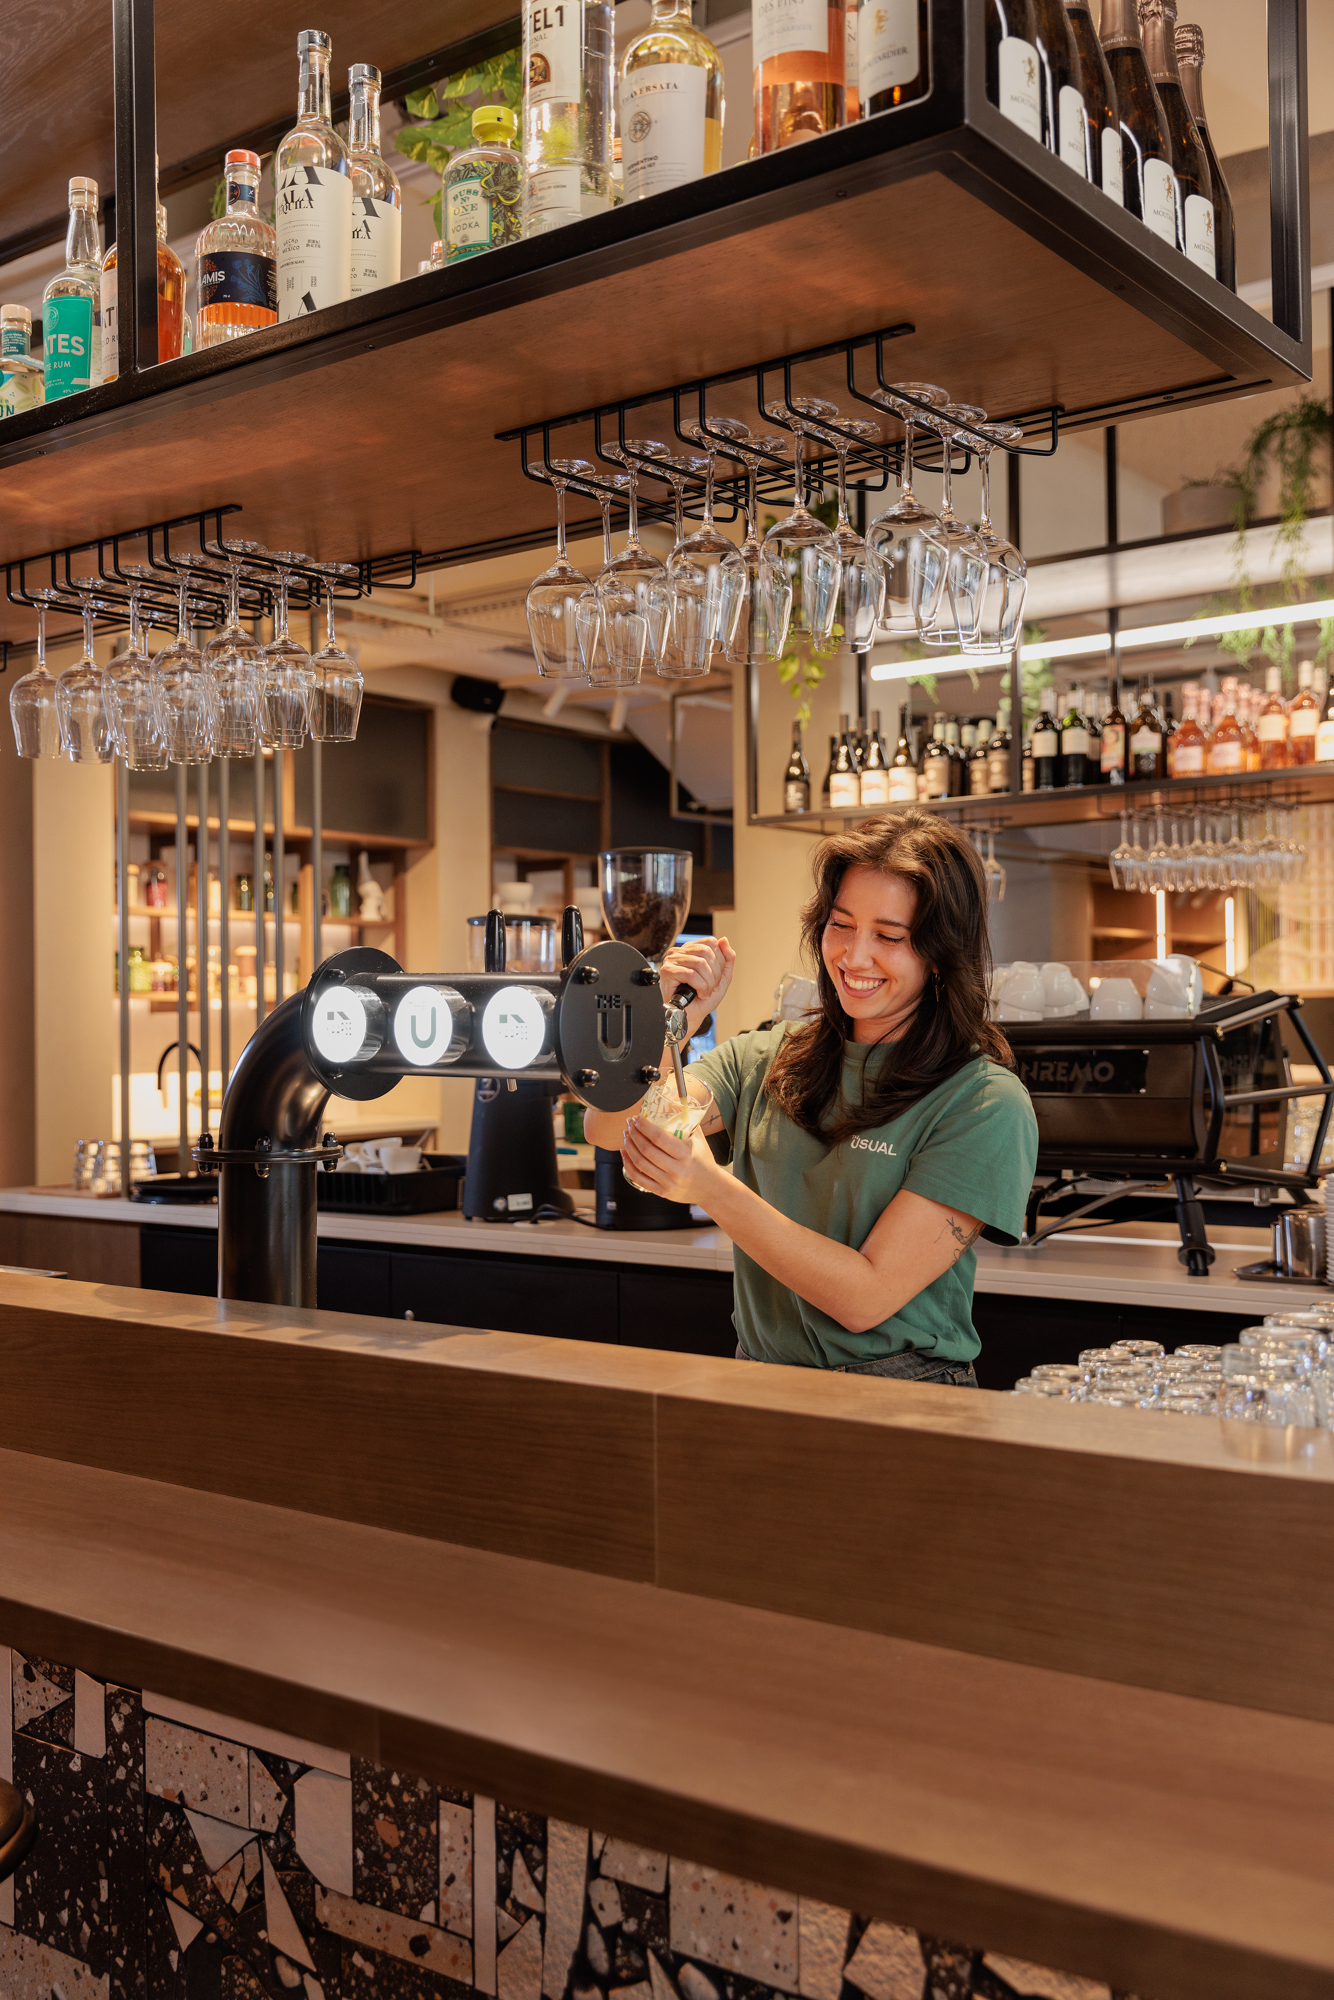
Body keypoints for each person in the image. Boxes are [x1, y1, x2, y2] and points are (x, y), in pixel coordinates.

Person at [584, 810, 1038, 1385]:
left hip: (903, 1391)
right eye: (841, 924)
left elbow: (865, 1298)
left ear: (942, 952)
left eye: (890, 937)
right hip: (763, 1377)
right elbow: (608, 1128)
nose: (854, 956)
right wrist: (670, 1021)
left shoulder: (982, 1103)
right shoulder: (769, 1056)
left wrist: (709, 1188)